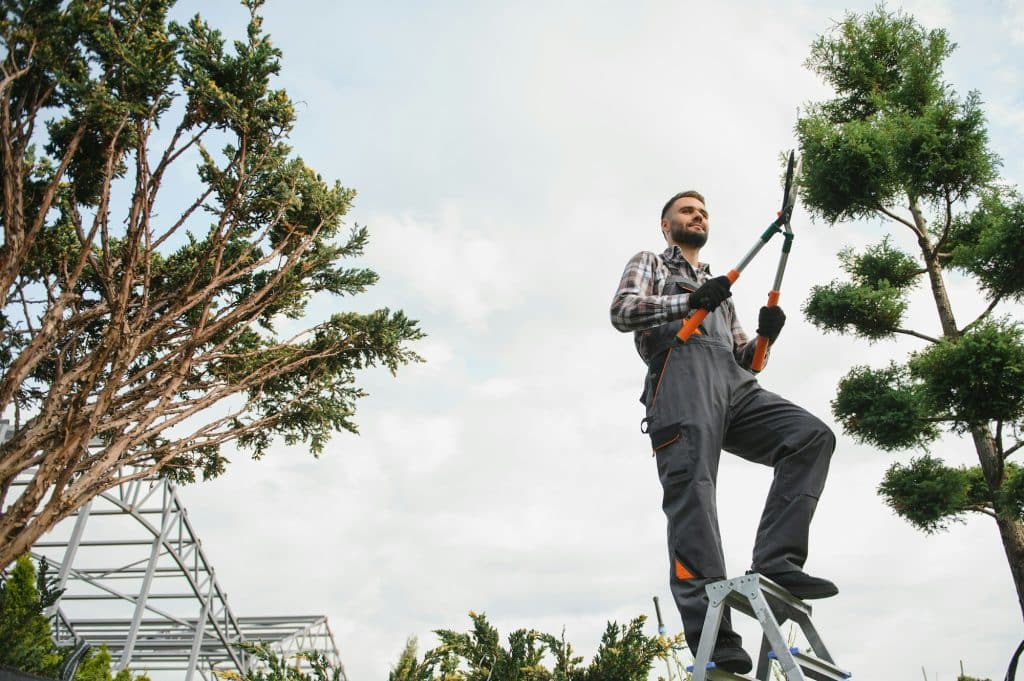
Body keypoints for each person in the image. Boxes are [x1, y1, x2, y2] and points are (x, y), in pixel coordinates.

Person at [609, 190, 836, 674]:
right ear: (666, 224)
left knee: (810, 437)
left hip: (734, 389)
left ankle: (778, 559)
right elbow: (623, 311)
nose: (698, 216)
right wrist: (687, 300)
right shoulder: (650, 261)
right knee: (695, 501)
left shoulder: (718, 288)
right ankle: (716, 640)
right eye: (687, 211)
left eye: (703, 212)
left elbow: (744, 360)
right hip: (680, 386)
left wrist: (767, 336)